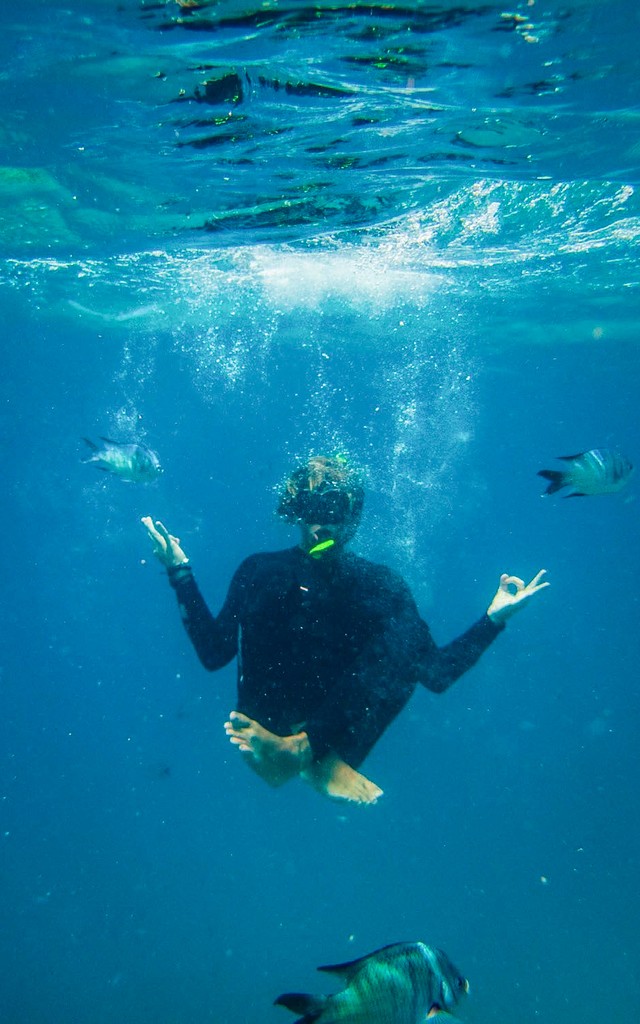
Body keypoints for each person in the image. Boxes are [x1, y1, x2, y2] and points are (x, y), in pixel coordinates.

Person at [142, 455, 548, 805]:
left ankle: (307, 752)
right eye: (311, 508)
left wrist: (493, 618)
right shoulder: (260, 570)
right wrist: (179, 571)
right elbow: (214, 653)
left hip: (329, 737)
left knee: (400, 644)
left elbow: (436, 673)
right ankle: (295, 753)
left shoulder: (379, 587)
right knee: (272, 585)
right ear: (296, 511)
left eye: (334, 509)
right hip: (263, 725)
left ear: (352, 517)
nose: (322, 524)